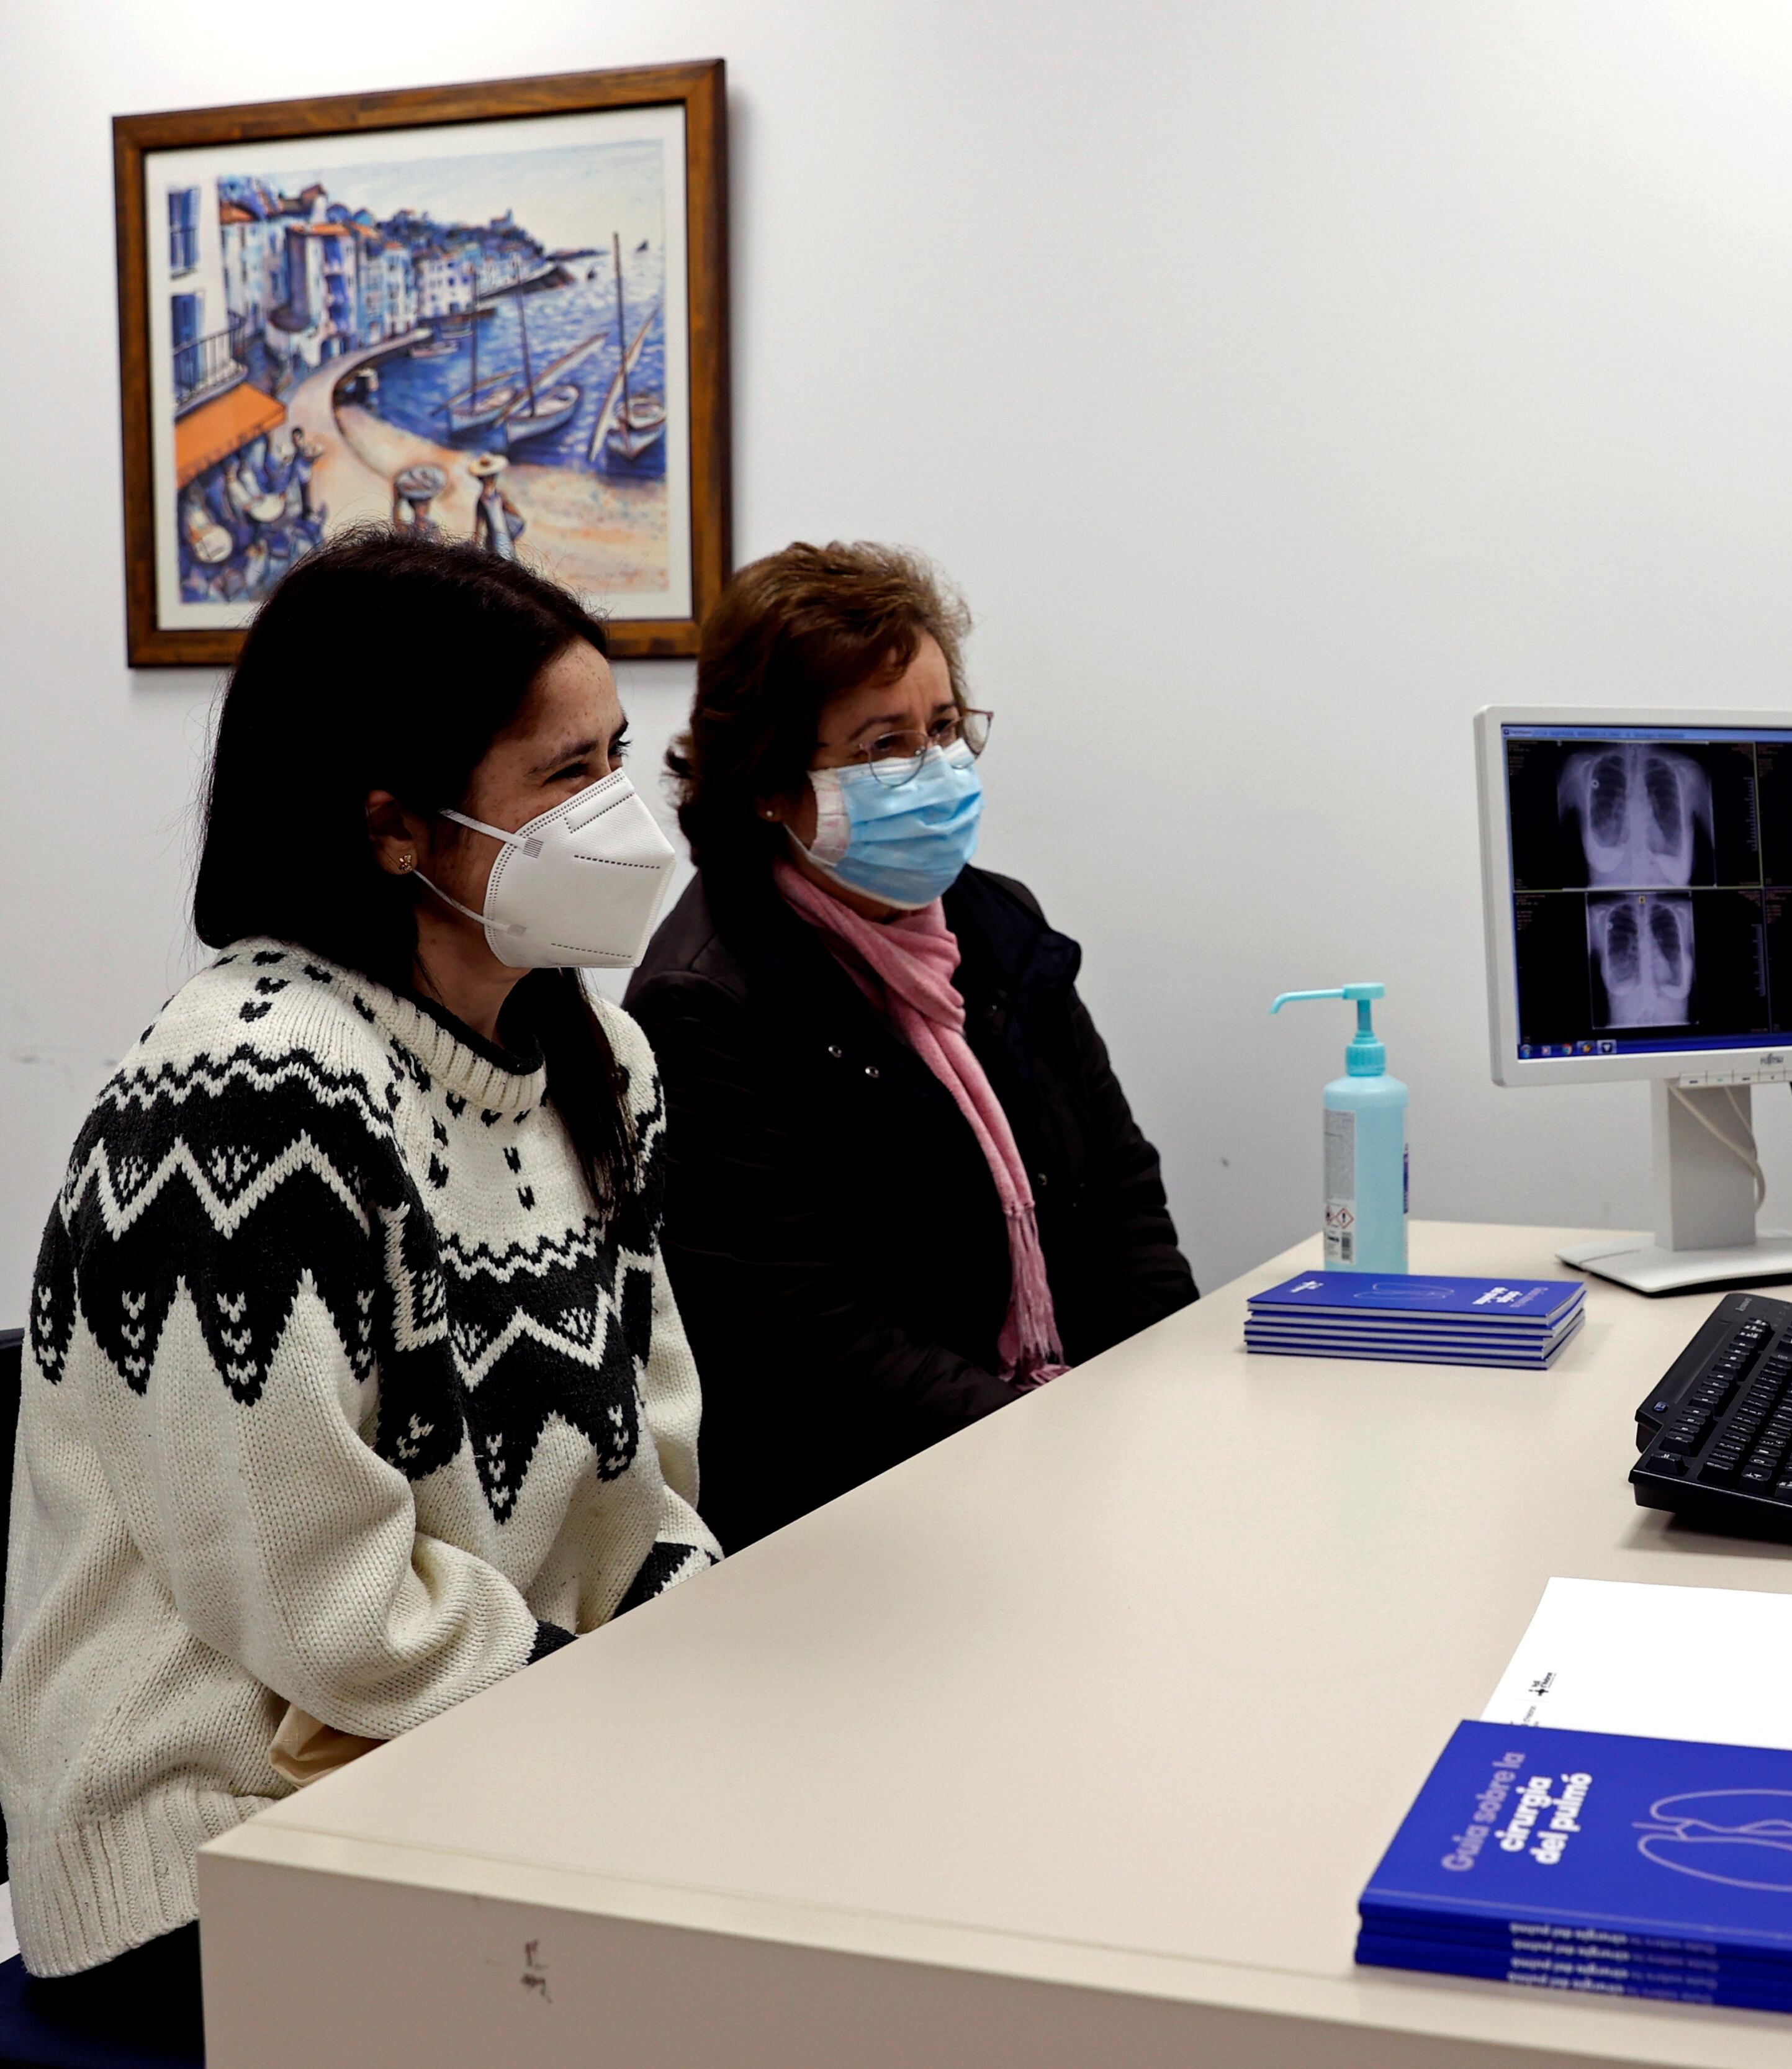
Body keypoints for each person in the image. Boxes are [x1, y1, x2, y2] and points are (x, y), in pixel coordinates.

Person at [2, 530, 717, 2053]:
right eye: (561, 777)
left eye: (619, 756)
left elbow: (640, 1473)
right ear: (397, 827)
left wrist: (678, 1657)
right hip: (219, 1854)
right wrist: (599, 1718)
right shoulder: (245, 1094)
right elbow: (315, 1596)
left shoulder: (600, 1061)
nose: (620, 816)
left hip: (480, 1768)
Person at [628, 542, 1197, 1552]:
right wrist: (1053, 1442)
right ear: (768, 781)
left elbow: (1121, 1195)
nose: (933, 769)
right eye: (885, 746)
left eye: (944, 728)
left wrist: (1154, 1402)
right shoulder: (703, 999)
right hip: (862, 1517)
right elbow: (802, 1328)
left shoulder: (996, 924)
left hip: (1068, 1463)